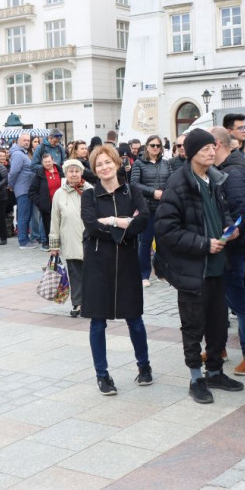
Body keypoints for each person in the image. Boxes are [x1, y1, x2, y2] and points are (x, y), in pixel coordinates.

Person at [156, 128, 245, 404]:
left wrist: (230, 227)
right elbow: (166, 230)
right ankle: (196, 378)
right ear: (193, 152)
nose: (211, 151)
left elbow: (223, 211)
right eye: (205, 148)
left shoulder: (214, 179)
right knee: (193, 325)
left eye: (213, 147)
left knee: (219, 324)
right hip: (193, 269)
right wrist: (204, 244)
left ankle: (215, 371)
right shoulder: (178, 183)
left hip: (217, 267)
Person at [80, 145, 153, 395]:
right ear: (94, 169)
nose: (104, 167)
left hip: (127, 263)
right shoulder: (89, 196)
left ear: (116, 163)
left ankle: (144, 366)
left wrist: (112, 222)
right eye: (99, 164)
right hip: (98, 265)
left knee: (135, 319)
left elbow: (142, 221)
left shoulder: (131, 192)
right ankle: (102, 375)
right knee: (97, 322)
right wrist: (124, 225)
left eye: (107, 162)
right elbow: (91, 227)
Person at [210, 126, 245, 376]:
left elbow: (242, 216)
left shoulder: (235, 172)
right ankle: (219, 348)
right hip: (218, 250)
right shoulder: (221, 169)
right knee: (219, 301)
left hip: (230, 251)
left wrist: (223, 237)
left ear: (216, 145)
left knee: (240, 303)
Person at [130, 134, 173, 286]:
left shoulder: (166, 163)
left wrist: (166, 193)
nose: (155, 148)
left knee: (163, 241)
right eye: (152, 145)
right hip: (147, 207)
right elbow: (134, 184)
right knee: (146, 241)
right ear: (146, 146)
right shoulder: (139, 163)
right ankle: (144, 274)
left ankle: (161, 272)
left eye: (158, 145)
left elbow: (172, 180)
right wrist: (152, 192)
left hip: (163, 207)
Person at [50, 159, 91, 317]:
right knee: (75, 274)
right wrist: (54, 245)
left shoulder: (90, 190)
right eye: (70, 171)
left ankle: (92, 303)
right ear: (66, 174)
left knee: (91, 274)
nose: (74, 174)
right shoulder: (60, 194)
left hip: (89, 240)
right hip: (70, 241)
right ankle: (77, 304)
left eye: (76, 171)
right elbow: (55, 221)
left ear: (81, 173)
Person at [7, 132, 37, 250]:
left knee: (26, 215)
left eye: (28, 141)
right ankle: (23, 241)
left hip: (26, 188)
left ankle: (25, 239)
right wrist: (11, 185)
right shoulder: (18, 155)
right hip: (23, 189)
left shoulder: (22, 153)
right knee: (23, 216)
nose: (26, 142)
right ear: (18, 141)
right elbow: (13, 172)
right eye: (24, 140)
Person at [28, 154, 62, 250]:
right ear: (42, 163)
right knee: (48, 226)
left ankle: (62, 242)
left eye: (49, 161)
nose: (47, 163)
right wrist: (40, 202)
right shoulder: (39, 175)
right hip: (47, 205)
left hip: (61, 204)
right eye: (45, 162)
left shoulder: (61, 171)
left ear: (53, 160)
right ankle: (47, 242)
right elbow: (31, 192)